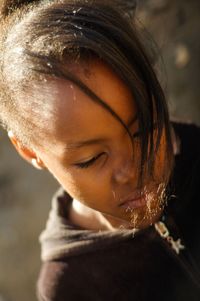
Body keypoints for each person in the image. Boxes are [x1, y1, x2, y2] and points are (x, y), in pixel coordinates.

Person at [0, 0, 199, 300]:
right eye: (91, 159)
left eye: (145, 129)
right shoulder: (71, 287)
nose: (133, 170)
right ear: (29, 151)